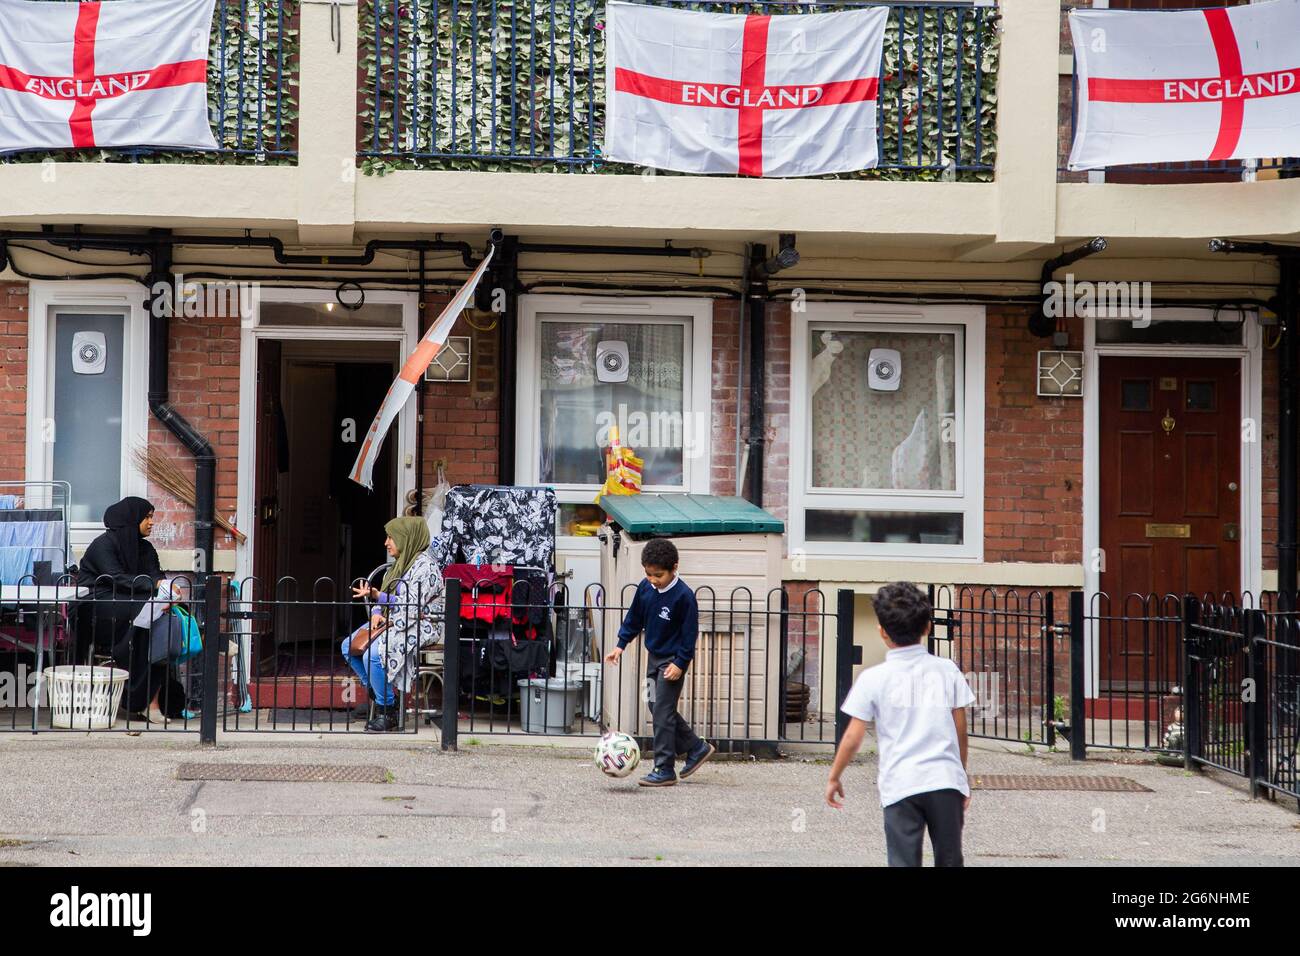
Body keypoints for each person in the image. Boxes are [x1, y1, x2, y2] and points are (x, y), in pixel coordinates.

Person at [825, 581, 976, 867]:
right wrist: (961, 776)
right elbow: (960, 731)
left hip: (901, 784)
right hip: (944, 780)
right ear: (927, 627)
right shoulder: (946, 670)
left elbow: (853, 737)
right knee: (950, 859)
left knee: (903, 862)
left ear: (882, 632)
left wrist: (834, 776)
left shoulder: (873, 678)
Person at [604, 538, 714, 787]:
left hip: (671, 663)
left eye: (659, 575)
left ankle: (664, 768)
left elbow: (689, 634)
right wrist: (620, 646)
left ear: (674, 567)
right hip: (653, 658)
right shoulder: (645, 589)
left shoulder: (684, 596)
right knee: (654, 705)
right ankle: (696, 748)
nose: (653, 579)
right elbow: (633, 619)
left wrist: (681, 662)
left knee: (662, 713)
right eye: (649, 574)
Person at [75, 496, 183, 723]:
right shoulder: (102, 545)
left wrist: (167, 589)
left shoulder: (145, 549)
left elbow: (155, 575)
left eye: (151, 516)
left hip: (134, 605)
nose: (152, 522)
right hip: (99, 607)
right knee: (150, 615)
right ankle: (145, 701)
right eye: (147, 517)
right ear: (132, 519)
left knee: (161, 618)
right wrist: (154, 586)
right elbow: (115, 578)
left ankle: (147, 700)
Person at [344, 517, 444, 733]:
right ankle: (383, 694)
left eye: (391, 537)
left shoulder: (425, 568)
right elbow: (385, 594)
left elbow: (411, 607)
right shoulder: (399, 564)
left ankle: (387, 710)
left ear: (406, 538)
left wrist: (379, 599)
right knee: (348, 646)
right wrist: (376, 612)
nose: (386, 543)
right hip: (395, 621)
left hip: (421, 625)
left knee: (373, 655)